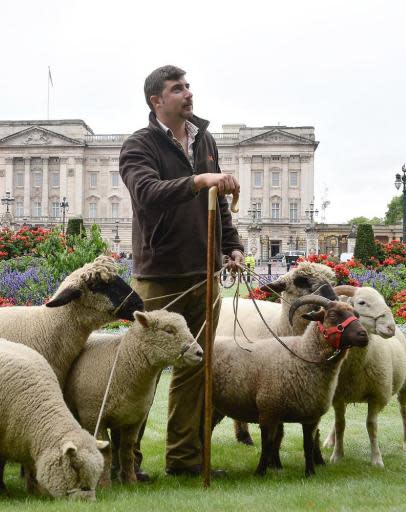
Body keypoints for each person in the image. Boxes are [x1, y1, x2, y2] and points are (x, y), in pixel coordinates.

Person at [119, 65, 244, 478]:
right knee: (143, 373)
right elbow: (148, 194)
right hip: (160, 275)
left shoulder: (203, 138)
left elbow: (220, 203)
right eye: (178, 89)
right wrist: (199, 180)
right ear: (157, 100)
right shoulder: (138, 145)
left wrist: (233, 246)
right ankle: (126, 462)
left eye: (188, 86)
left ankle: (185, 460)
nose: (188, 93)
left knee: (194, 368)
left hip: (204, 272)